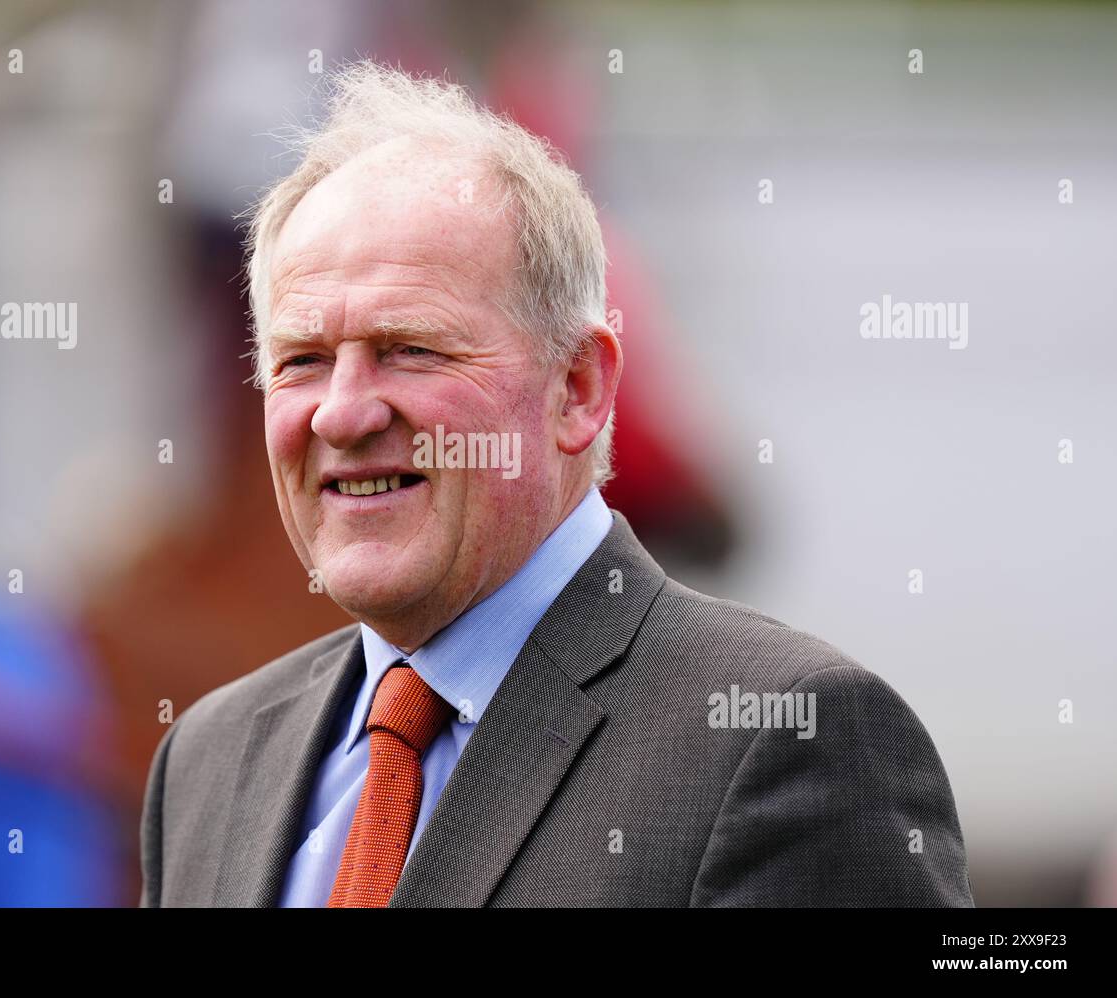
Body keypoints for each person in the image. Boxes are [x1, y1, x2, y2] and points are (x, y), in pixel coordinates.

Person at [140, 61, 973, 908]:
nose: (342, 416)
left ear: (576, 388)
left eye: (411, 349)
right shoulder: (210, 759)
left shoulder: (788, 738)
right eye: (303, 362)